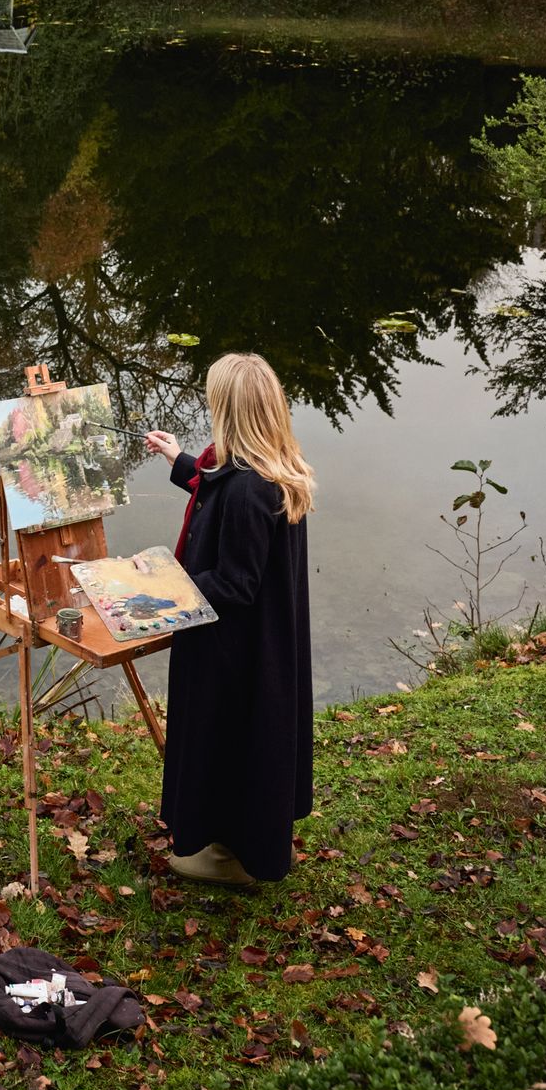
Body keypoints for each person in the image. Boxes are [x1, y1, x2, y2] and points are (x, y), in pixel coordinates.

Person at [143, 353, 315, 887]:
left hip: (232, 653)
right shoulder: (273, 470)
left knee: (225, 742)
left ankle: (232, 859)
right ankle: (240, 842)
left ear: (232, 412)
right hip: (265, 647)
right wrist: (180, 460)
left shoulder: (246, 490)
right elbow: (216, 486)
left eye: (214, 401)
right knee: (248, 743)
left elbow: (237, 583)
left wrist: (158, 593)